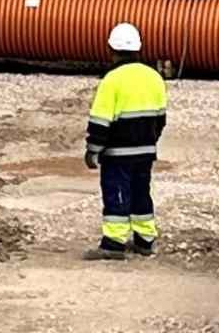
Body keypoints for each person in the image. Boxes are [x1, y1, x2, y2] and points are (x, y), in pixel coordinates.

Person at [83, 22, 168, 261]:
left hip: (118, 152)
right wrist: (151, 141)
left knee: (117, 192)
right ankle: (145, 240)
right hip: (146, 150)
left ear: (111, 49)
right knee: (141, 192)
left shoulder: (112, 80)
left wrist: (93, 150)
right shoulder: (154, 78)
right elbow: (161, 118)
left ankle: (114, 243)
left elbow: (100, 121)